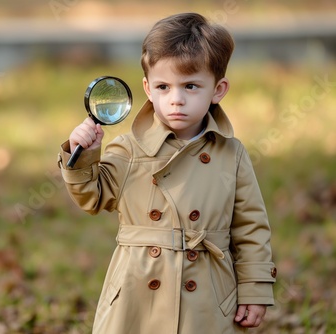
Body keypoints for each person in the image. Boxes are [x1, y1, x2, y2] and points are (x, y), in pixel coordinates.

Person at [57, 12, 276, 333]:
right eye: (163, 86)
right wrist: (84, 155)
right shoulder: (129, 148)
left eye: (190, 86)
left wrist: (255, 290)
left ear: (218, 89)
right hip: (137, 288)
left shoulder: (231, 154)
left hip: (206, 290)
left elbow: (251, 228)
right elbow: (92, 197)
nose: (176, 99)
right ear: (147, 88)